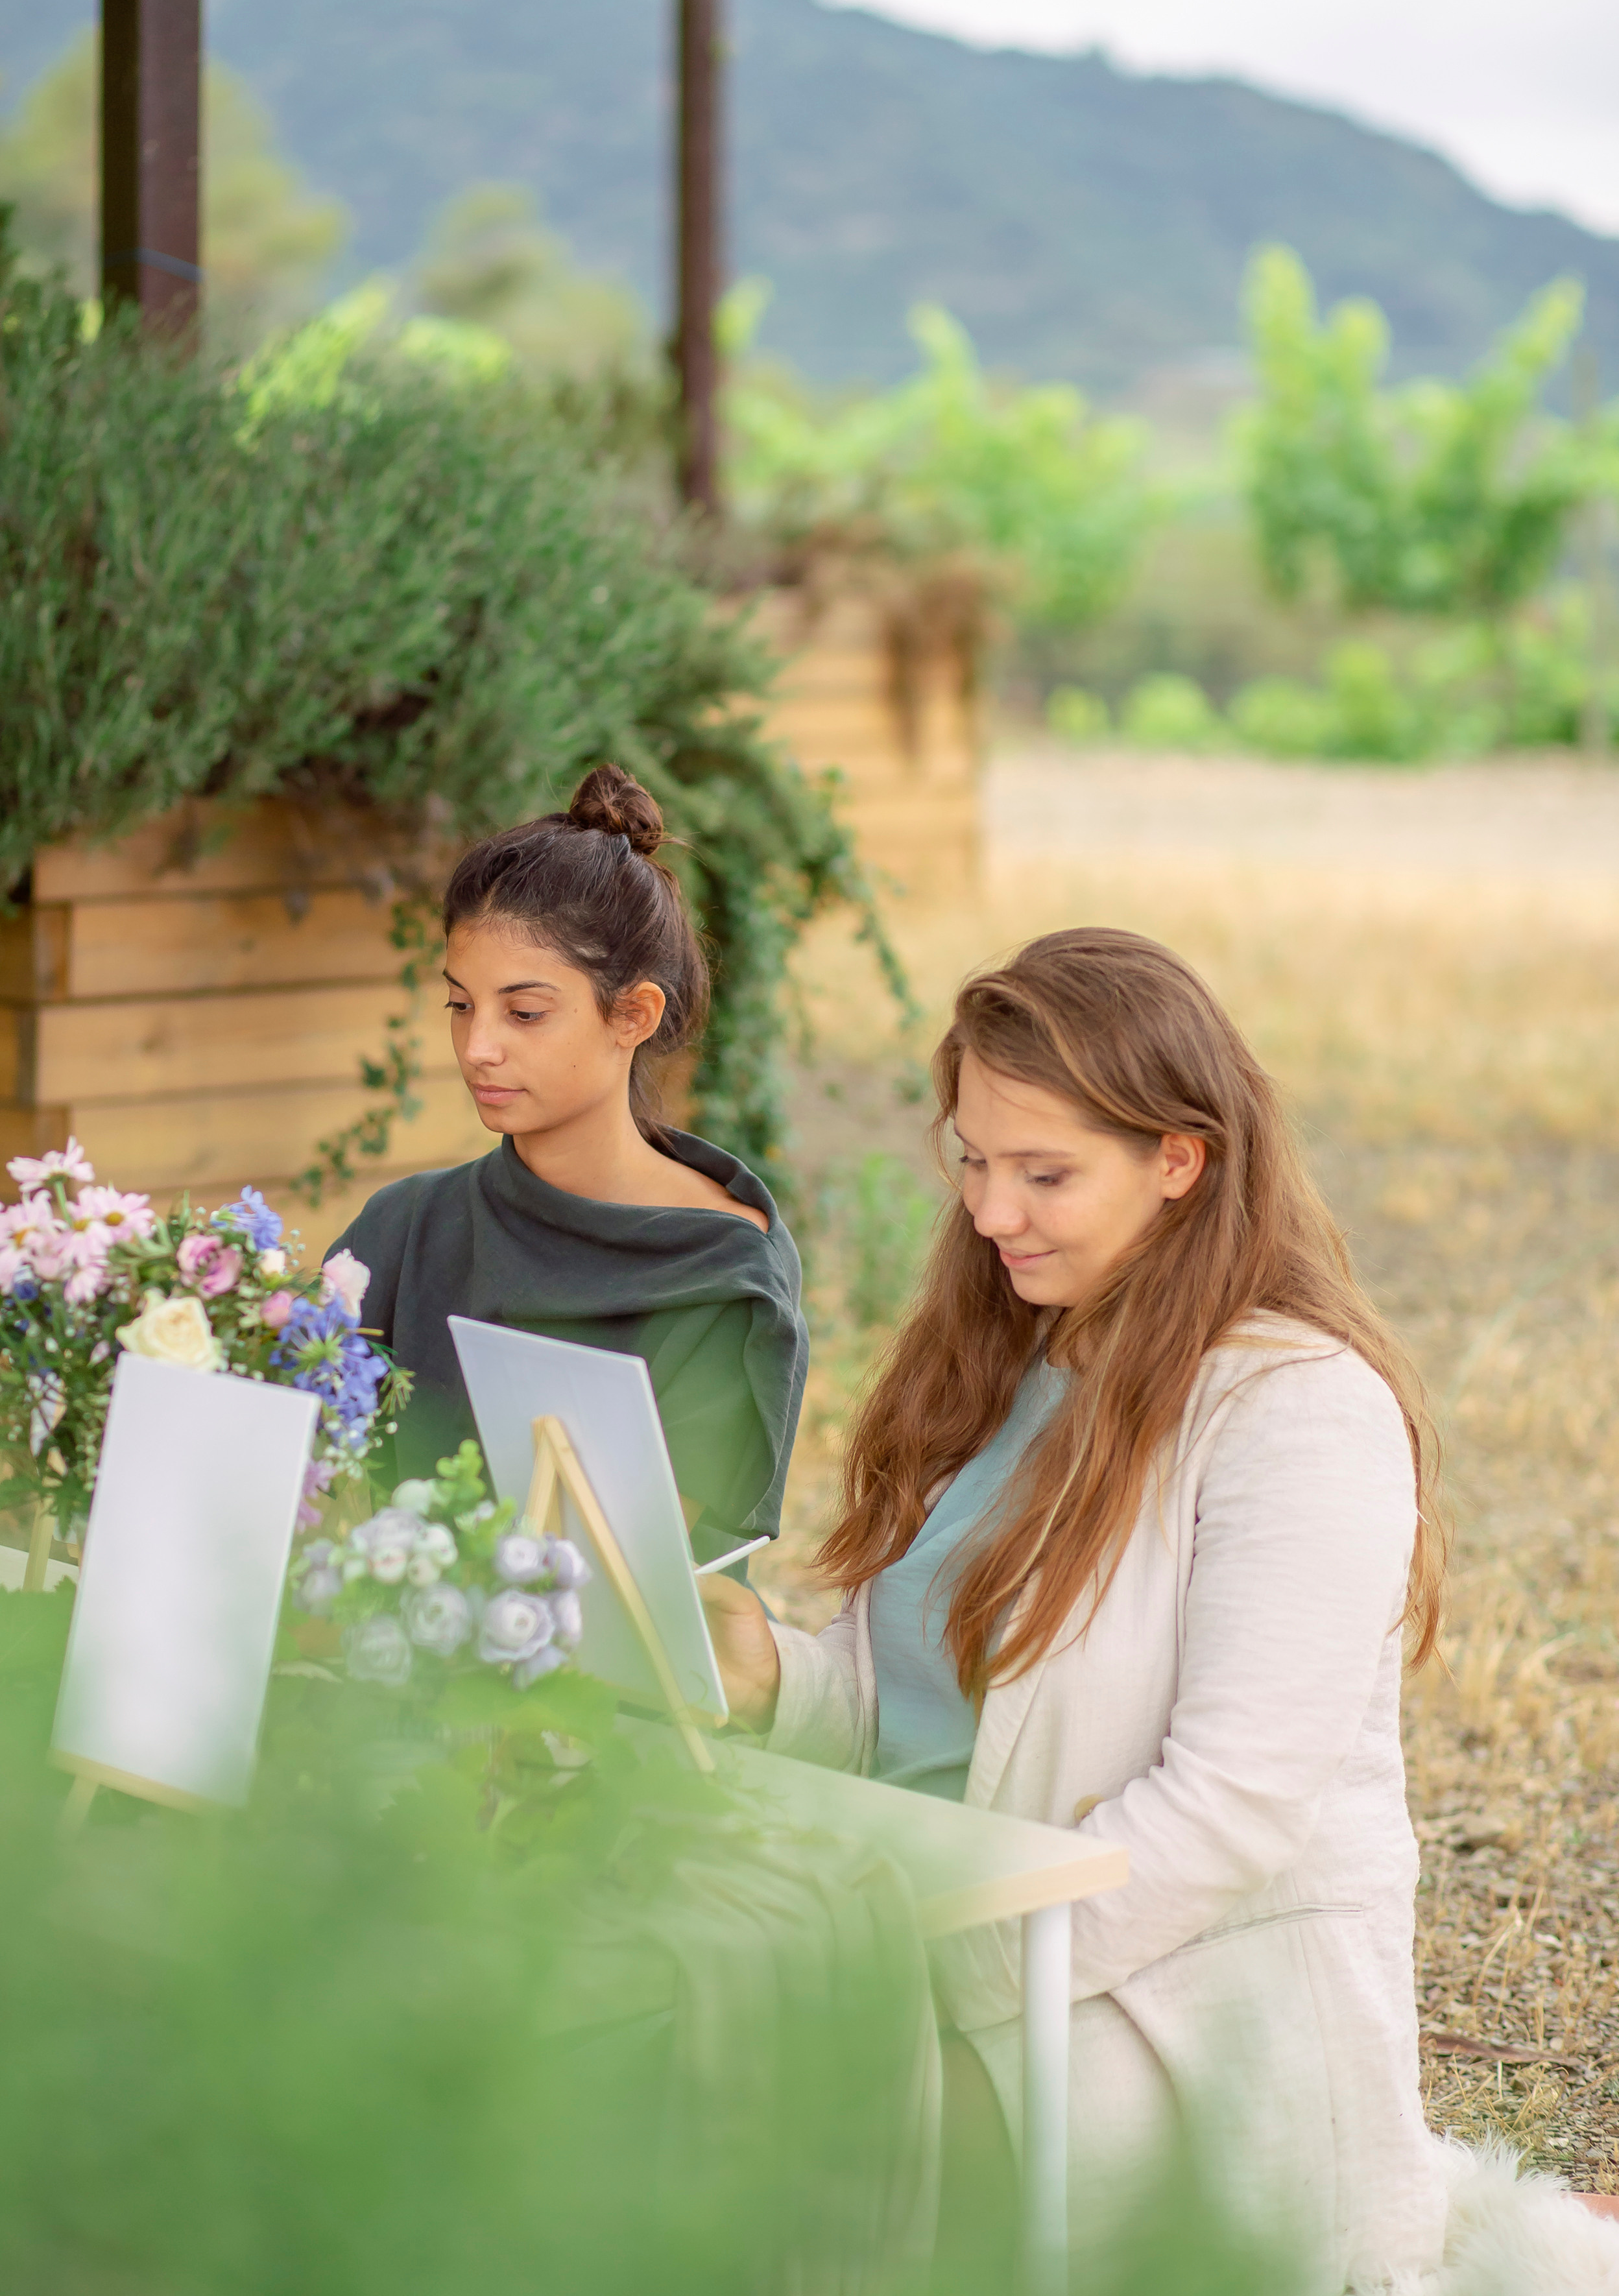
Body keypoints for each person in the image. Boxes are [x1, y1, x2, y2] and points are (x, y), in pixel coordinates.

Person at [701, 925, 1452, 2284]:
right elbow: (925, 1715)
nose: (990, 1215)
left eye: (1044, 1174)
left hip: (1126, 2017)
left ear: (1181, 1161)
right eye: (974, 1163)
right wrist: (772, 1682)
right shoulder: (1020, 1358)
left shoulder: (1299, 1413)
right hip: (913, 1941)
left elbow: (1227, 1812)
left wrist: (940, 1976)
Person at [328, 764, 808, 1570]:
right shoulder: (402, 1231)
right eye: (459, 1004)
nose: (479, 1047)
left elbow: (626, 1589)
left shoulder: (721, 1273)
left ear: (634, 1014)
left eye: (525, 1013)